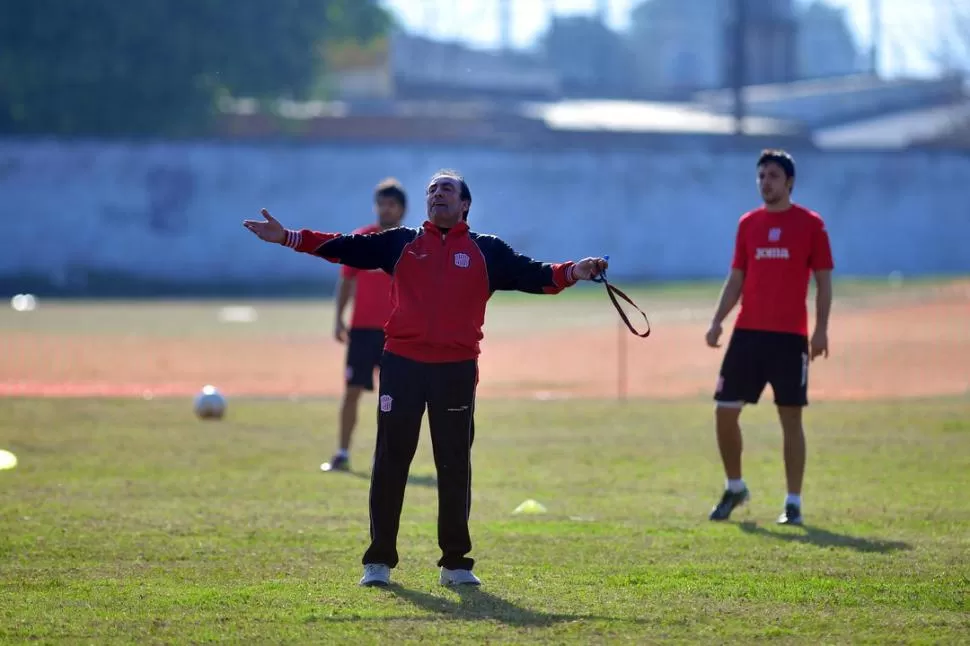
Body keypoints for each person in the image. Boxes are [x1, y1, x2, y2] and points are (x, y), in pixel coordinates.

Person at [244, 169, 608, 588]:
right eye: (432, 189)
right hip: (402, 366)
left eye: (447, 189)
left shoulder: (486, 250)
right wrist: (288, 236)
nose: (437, 194)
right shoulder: (401, 242)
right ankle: (378, 562)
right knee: (390, 463)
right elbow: (342, 247)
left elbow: (536, 274)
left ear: (465, 204)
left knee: (453, 466)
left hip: (456, 370)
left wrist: (575, 271)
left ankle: (455, 564)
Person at [705, 149, 834, 527]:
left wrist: (821, 329)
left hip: (789, 339)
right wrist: (717, 321)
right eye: (761, 176)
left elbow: (824, 282)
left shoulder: (811, 224)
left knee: (790, 418)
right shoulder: (748, 224)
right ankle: (735, 487)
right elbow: (736, 280)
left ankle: (793, 502)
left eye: (773, 176)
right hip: (747, 334)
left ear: (789, 182)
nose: (766, 182)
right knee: (724, 411)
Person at [322, 178, 407, 474]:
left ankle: (388, 459)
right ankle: (342, 453)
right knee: (352, 391)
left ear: (402, 209)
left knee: (393, 398)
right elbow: (346, 280)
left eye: (391, 205)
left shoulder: (410, 243)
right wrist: (338, 319)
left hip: (397, 333)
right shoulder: (362, 240)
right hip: (362, 330)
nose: (385, 209)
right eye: (381, 204)